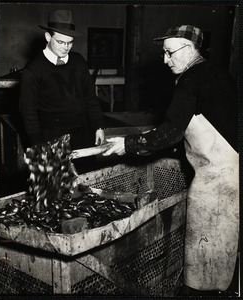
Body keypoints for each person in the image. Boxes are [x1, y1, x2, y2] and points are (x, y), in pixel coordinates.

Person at [103, 25, 239, 294]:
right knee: (224, 249)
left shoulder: (190, 80)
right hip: (232, 174)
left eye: (169, 53)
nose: (165, 60)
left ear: (188, 49)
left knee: (203, 257)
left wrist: (127, 144)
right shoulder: (220, 73)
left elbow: (170, 132)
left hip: (213, 182)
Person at [19, 10, 105, 172]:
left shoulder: (79, 62)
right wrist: (37, 144)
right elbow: (28, 111)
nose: (66, 47)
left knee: (87, 183)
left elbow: (90, 97)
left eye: (70, 43)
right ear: (48, 37)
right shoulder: (33, 69)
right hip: (51, 137)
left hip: (82, 135)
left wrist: (99, 126)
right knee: (56, 188)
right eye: (60, 42)